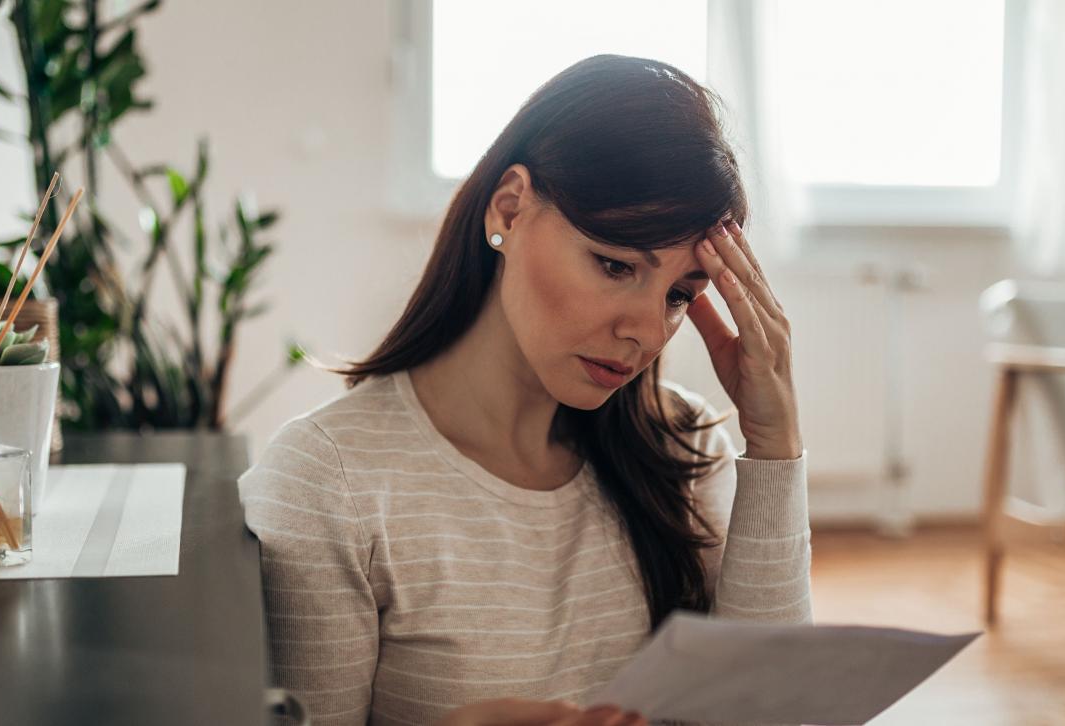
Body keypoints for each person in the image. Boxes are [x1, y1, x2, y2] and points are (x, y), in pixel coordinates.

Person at [238, 54, 810, 726]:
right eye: (615, 264)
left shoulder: (684, 450)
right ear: (510, 207)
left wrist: (774, 444)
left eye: (680, 295)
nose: (648, 332)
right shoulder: (328, 482)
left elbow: (766, 714)